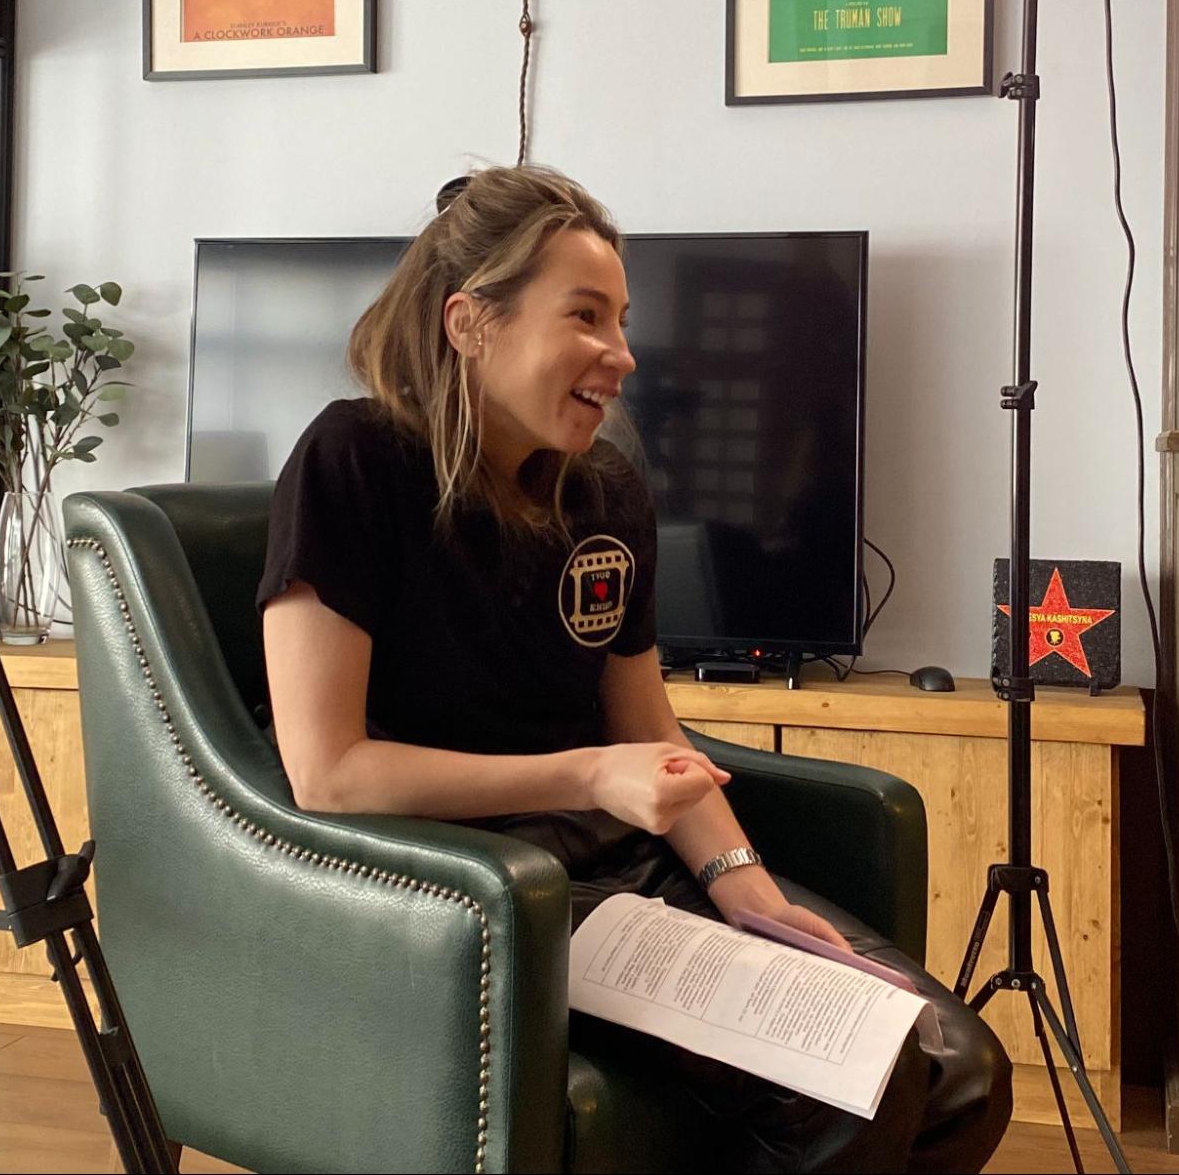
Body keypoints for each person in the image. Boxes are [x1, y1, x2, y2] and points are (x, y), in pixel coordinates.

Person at [257, 164, 1010, 1172]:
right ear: (469, 322)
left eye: (620, 320)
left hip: (625, 869)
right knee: (857, 1092)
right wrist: (586, 775)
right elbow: (330, 775)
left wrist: (742, 884)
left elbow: (649, 732)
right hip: (473, 887)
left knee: (963, 1076)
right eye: (585, 316)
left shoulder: (605, 488)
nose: (622, 354)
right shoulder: (351, 459)